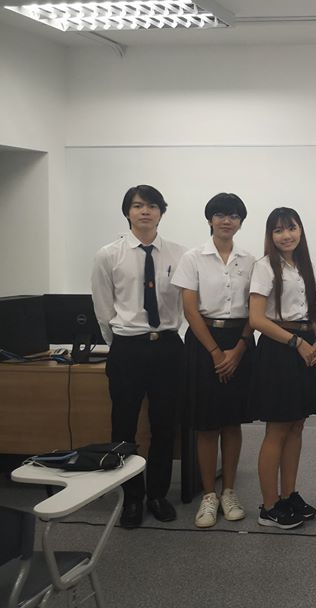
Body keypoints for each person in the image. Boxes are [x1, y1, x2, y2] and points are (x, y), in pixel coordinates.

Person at [91, 184, 187, 528]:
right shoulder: (108, 255)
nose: (145, 211)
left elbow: (185, 303)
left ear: (161, 212)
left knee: (164, 425)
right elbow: (103, 308)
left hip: (167, 348)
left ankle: (157, 495)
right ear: (127, 212)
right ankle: (131, 498)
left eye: (151, 206)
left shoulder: (179, 254)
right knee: (124, 426)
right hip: (128, 348)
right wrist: (120, 341)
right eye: (137, 206)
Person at [172, 193, 255, 528]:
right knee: (207, 424)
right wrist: (216, 353)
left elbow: (256, 308)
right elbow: (190, 310)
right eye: (220, 214)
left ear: (240, 222)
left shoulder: (250, 261)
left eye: (233, 215)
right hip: (204, 342)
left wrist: (238, 349)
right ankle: (209, 495)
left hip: (240, 341)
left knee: (232, 421)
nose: (226, 221)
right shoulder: (192, 258)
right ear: (209, 219)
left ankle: (229, 491)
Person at [248, 207, 316, 529]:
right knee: (278, 429)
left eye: (291, 228)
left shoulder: (304, 265)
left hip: (304, 346)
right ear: (271, 235)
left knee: (297, 425)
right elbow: (256, 319)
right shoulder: (265, 266)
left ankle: (289, 495)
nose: (286, 235)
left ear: (300, 230)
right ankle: (269, 506)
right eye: (278, 230)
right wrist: (296, 343)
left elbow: (310, 312)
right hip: (280, 350)